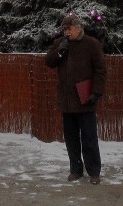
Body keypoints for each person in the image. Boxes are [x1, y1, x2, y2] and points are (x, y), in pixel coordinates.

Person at [45, 14, 106, 185]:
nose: (66, 32)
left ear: (78, 28)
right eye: (64, 29)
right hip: (67, 100)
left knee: (89, 139)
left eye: (69, 29)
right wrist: (60, 52)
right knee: (71, 139)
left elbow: (100, 71)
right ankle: (76, 170)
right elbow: (49, 62)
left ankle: (94, 171)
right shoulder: (60, 44)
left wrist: (96, 92)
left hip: (85, 100)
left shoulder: (92, 44)